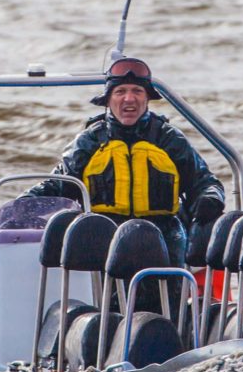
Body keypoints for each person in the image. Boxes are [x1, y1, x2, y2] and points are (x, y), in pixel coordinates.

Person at [23, 57, 225, 268]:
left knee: (169, 293)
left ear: (147, 98)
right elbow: (58, 184)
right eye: (120, 92)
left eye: (137, 91)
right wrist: (22, 205)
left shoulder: (170, 140)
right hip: (103, 241)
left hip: (164, 243)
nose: (129, 98)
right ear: (108, 100)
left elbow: (205, 183)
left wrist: (209, 198)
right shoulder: (88, 142)